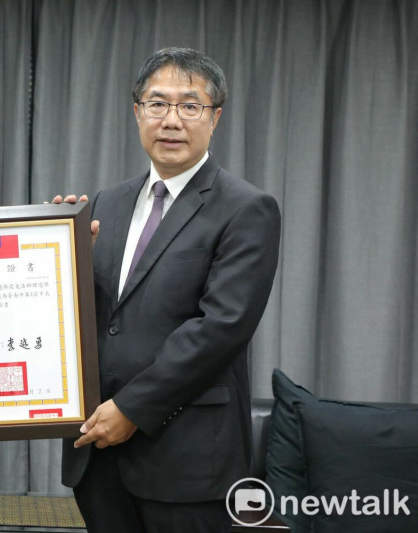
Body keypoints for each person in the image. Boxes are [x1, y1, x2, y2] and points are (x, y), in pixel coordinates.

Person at [58, 48, 281, 532]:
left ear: (215, 117)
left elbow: (221, 327)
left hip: (186, 456)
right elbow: (96, 316)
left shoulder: (246, 208)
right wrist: (55, 255)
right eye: (157, 104)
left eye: (190, 105)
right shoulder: (106, 203)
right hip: (97, 453)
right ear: (138, 112)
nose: (171, 120)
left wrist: (132, 409)